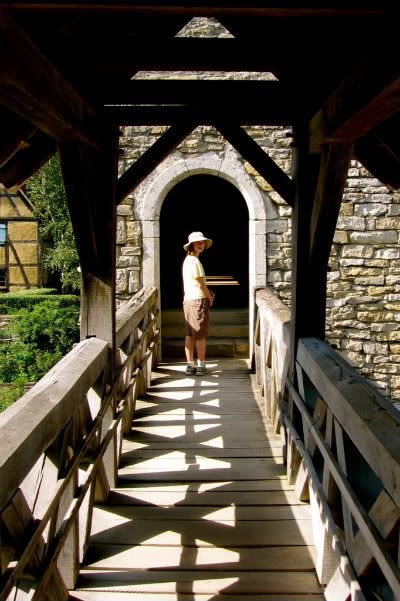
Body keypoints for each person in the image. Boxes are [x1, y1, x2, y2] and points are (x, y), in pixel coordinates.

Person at [182, 231, 215, 376]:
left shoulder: (187, 260)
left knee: (190, 335)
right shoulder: (195, 262)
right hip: (197, 301)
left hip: (188, 299)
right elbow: (200, 283)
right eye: (198, 243)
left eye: (202, 242)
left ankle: (190, 365)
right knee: (200, 335)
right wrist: (209, 297)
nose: (201, 245)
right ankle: (201, 365)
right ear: (192, 245)